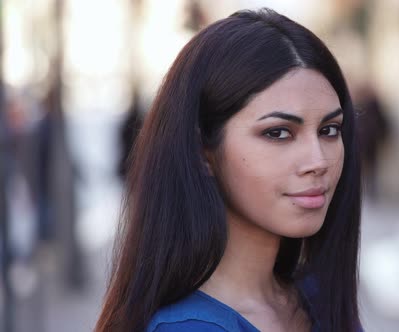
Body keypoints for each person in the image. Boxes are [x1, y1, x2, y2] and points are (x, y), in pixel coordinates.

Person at [95, 8, 362, 332]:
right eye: (278, 132)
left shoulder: (317, 298)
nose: (318, 160)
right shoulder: (190, 328)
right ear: (201, 152)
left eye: (329, 130)